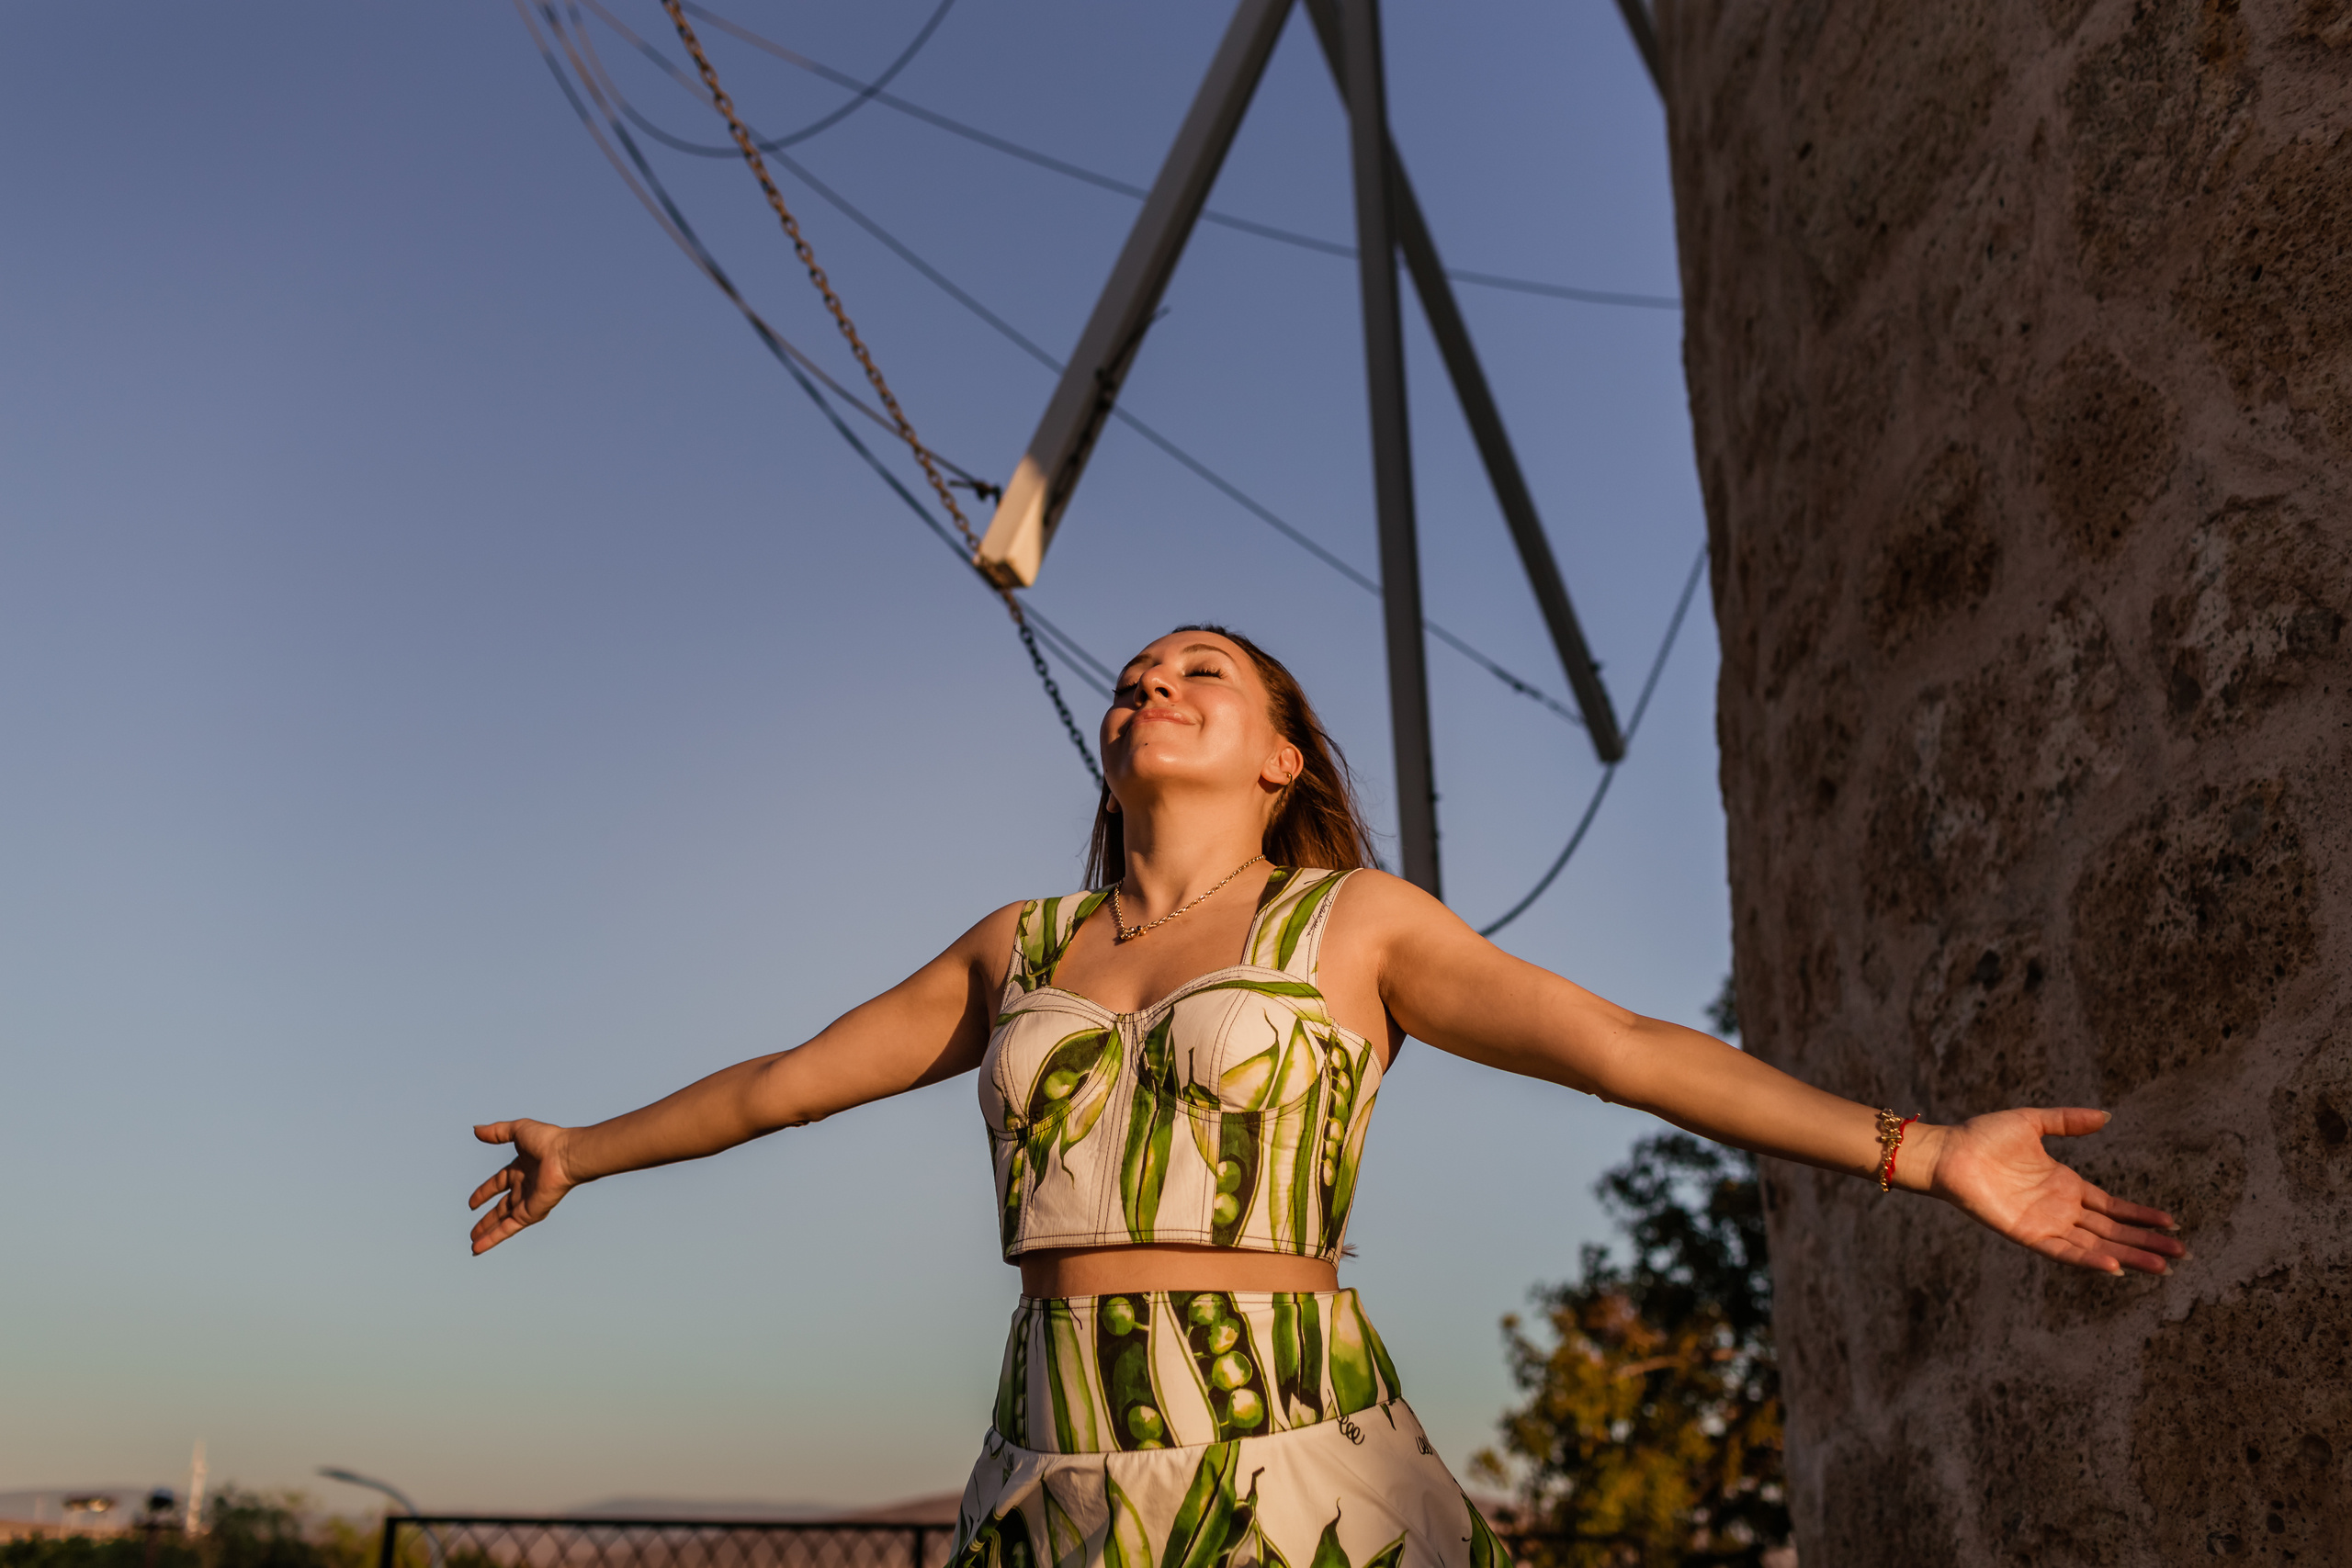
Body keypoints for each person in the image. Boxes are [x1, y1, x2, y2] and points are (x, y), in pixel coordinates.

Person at [468, 625, 2184, 1568]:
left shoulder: (1354, 925)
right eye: (1132, 680)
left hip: (1284, 1445)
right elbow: (786, 1084)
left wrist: (1926, 1152)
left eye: (1198, 673)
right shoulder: (1022, 941)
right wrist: (584, 1153)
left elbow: (1623, 1049)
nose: (1150, 687)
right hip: (1047, 1449)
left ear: (1282, 756)